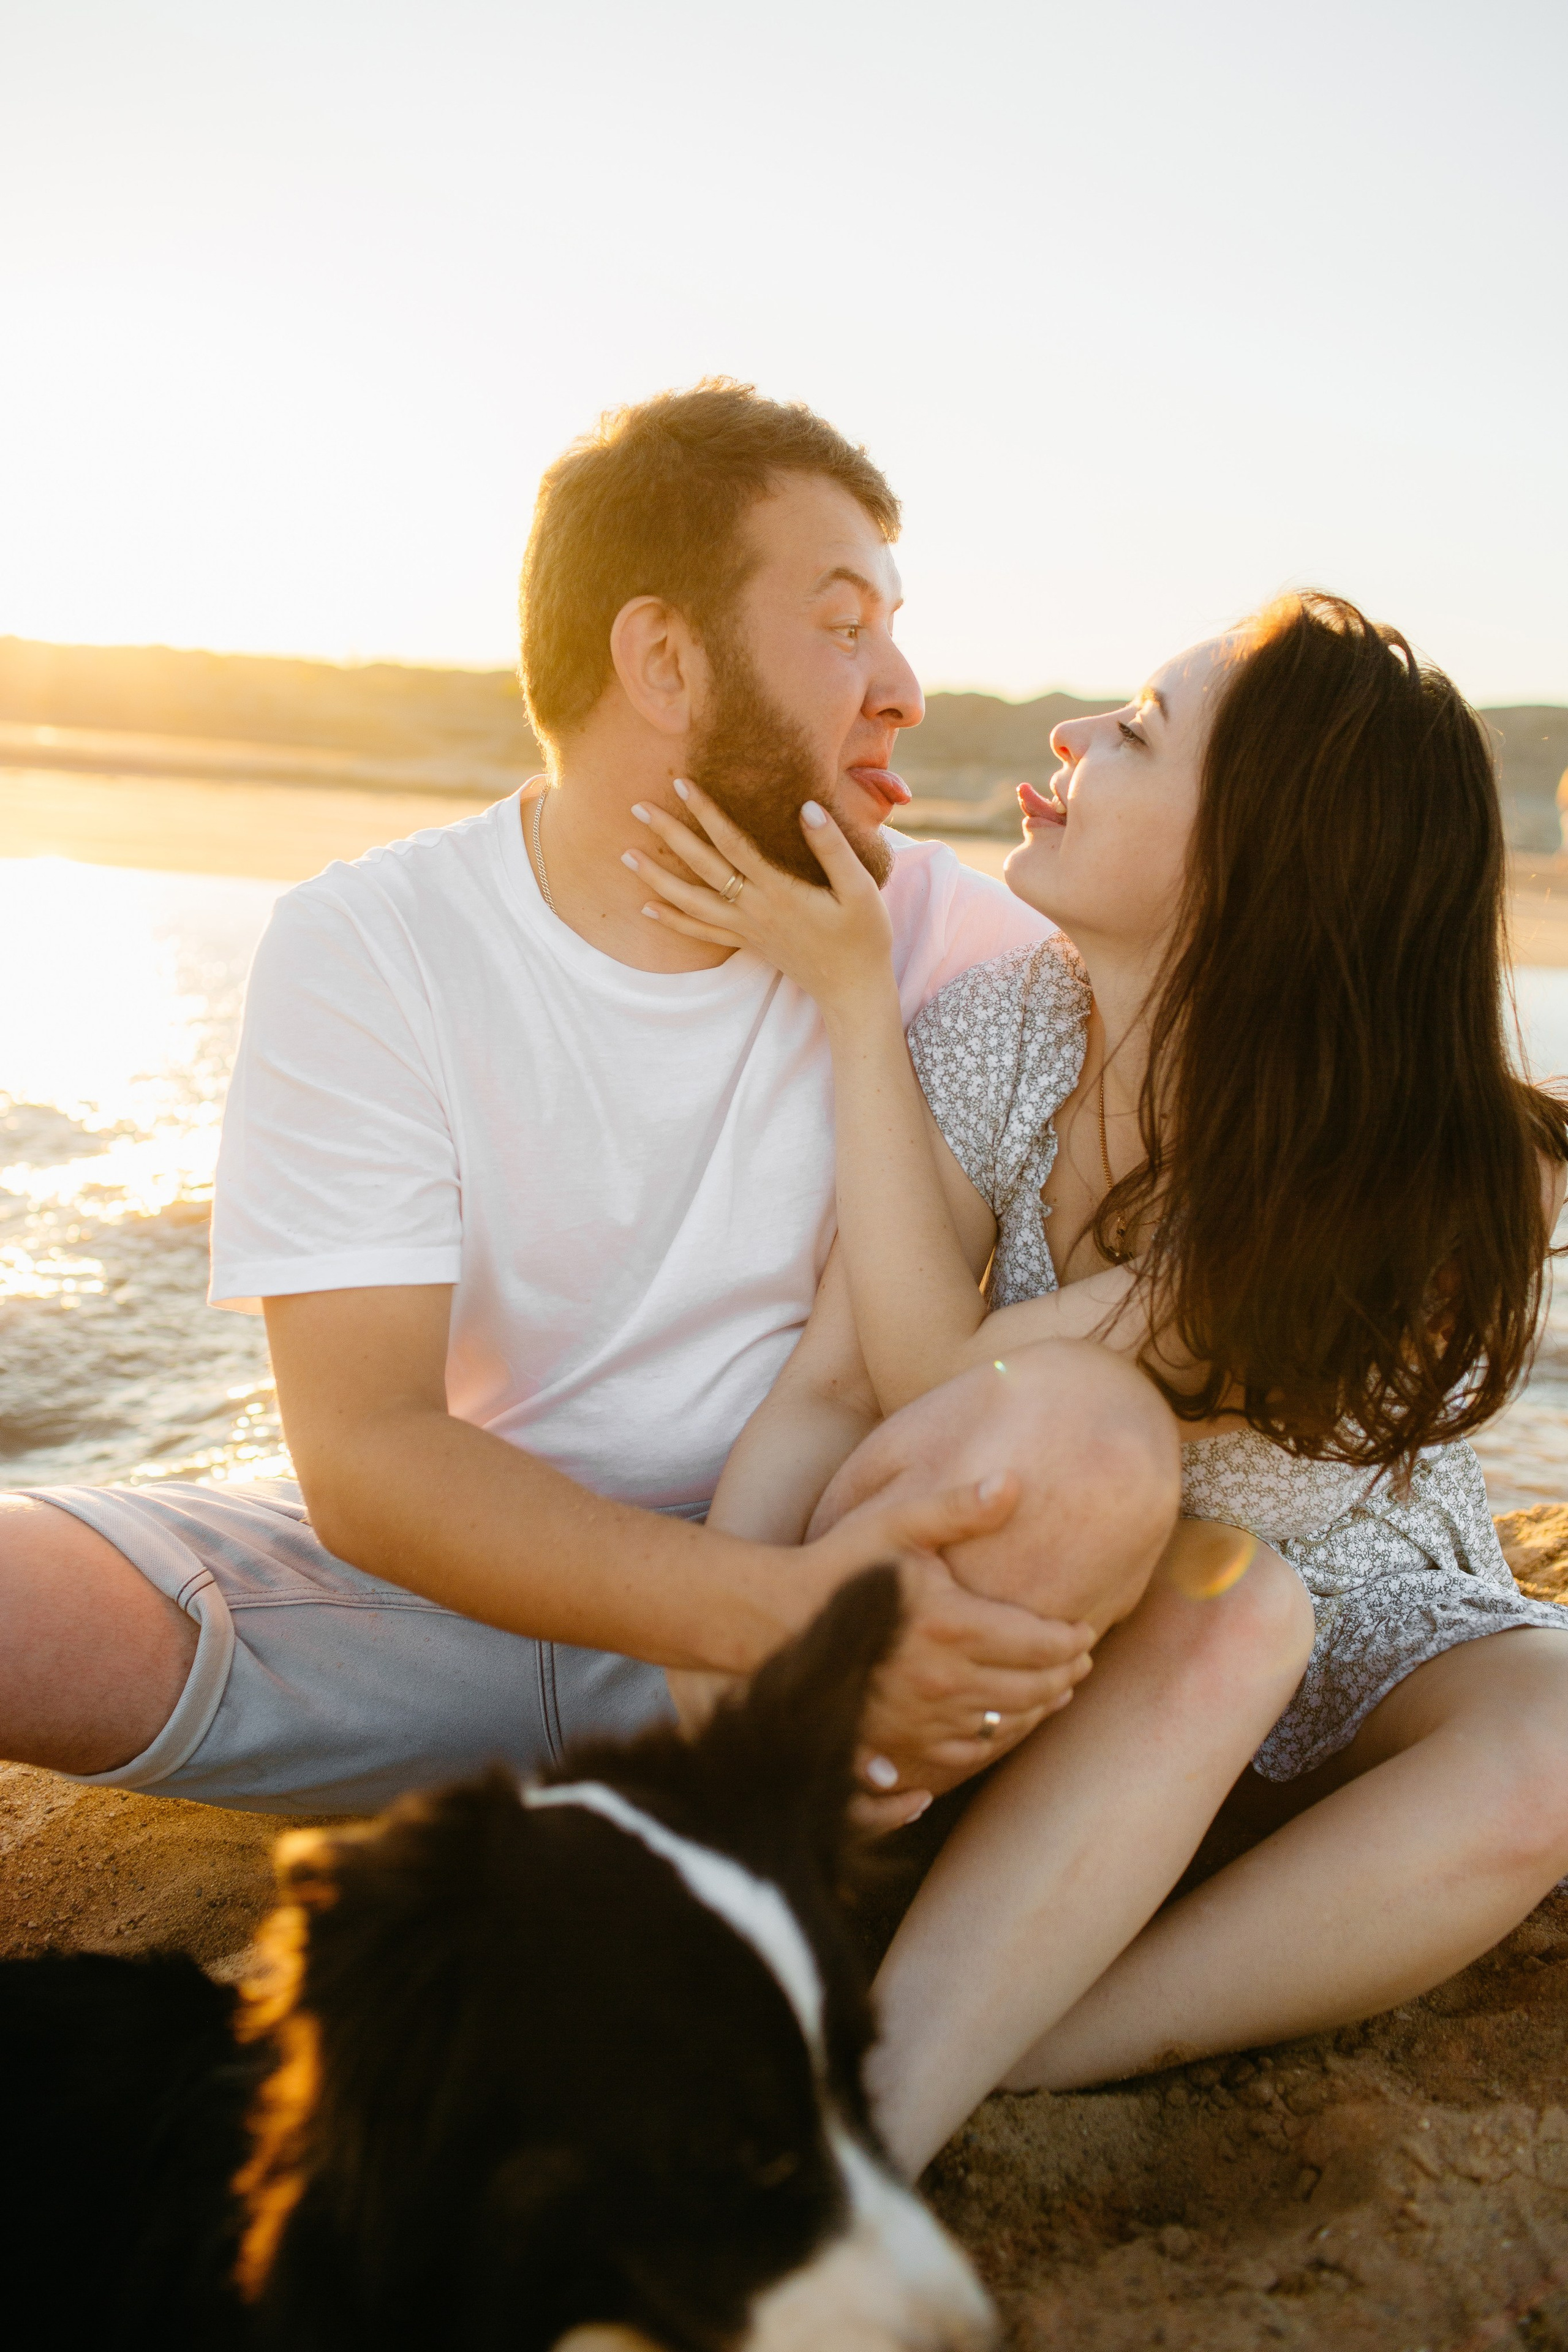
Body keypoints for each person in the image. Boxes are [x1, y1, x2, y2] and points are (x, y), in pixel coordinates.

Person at [0, 381, 1184, 1817]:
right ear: (665, 661)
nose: (902, 689)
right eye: (841, 622)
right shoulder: (374, 942)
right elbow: (369, 1457)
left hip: (837, 1583)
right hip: (450, 1603)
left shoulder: (967, 949)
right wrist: (758, 1610)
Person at [631, 590, 1568, 2176]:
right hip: (1070, 1643)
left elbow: (944, 1365)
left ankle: (974, 2055)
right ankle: (924, 2029)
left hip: (1358, 1640)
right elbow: (844, 1384)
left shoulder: (1432, 1172)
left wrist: (852, 994)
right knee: (1174, 1538)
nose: (1066, 735)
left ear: (1266, 857)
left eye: (1133, 731)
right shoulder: (1000, 1033)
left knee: (1544, 1736)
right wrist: (731, 1668)